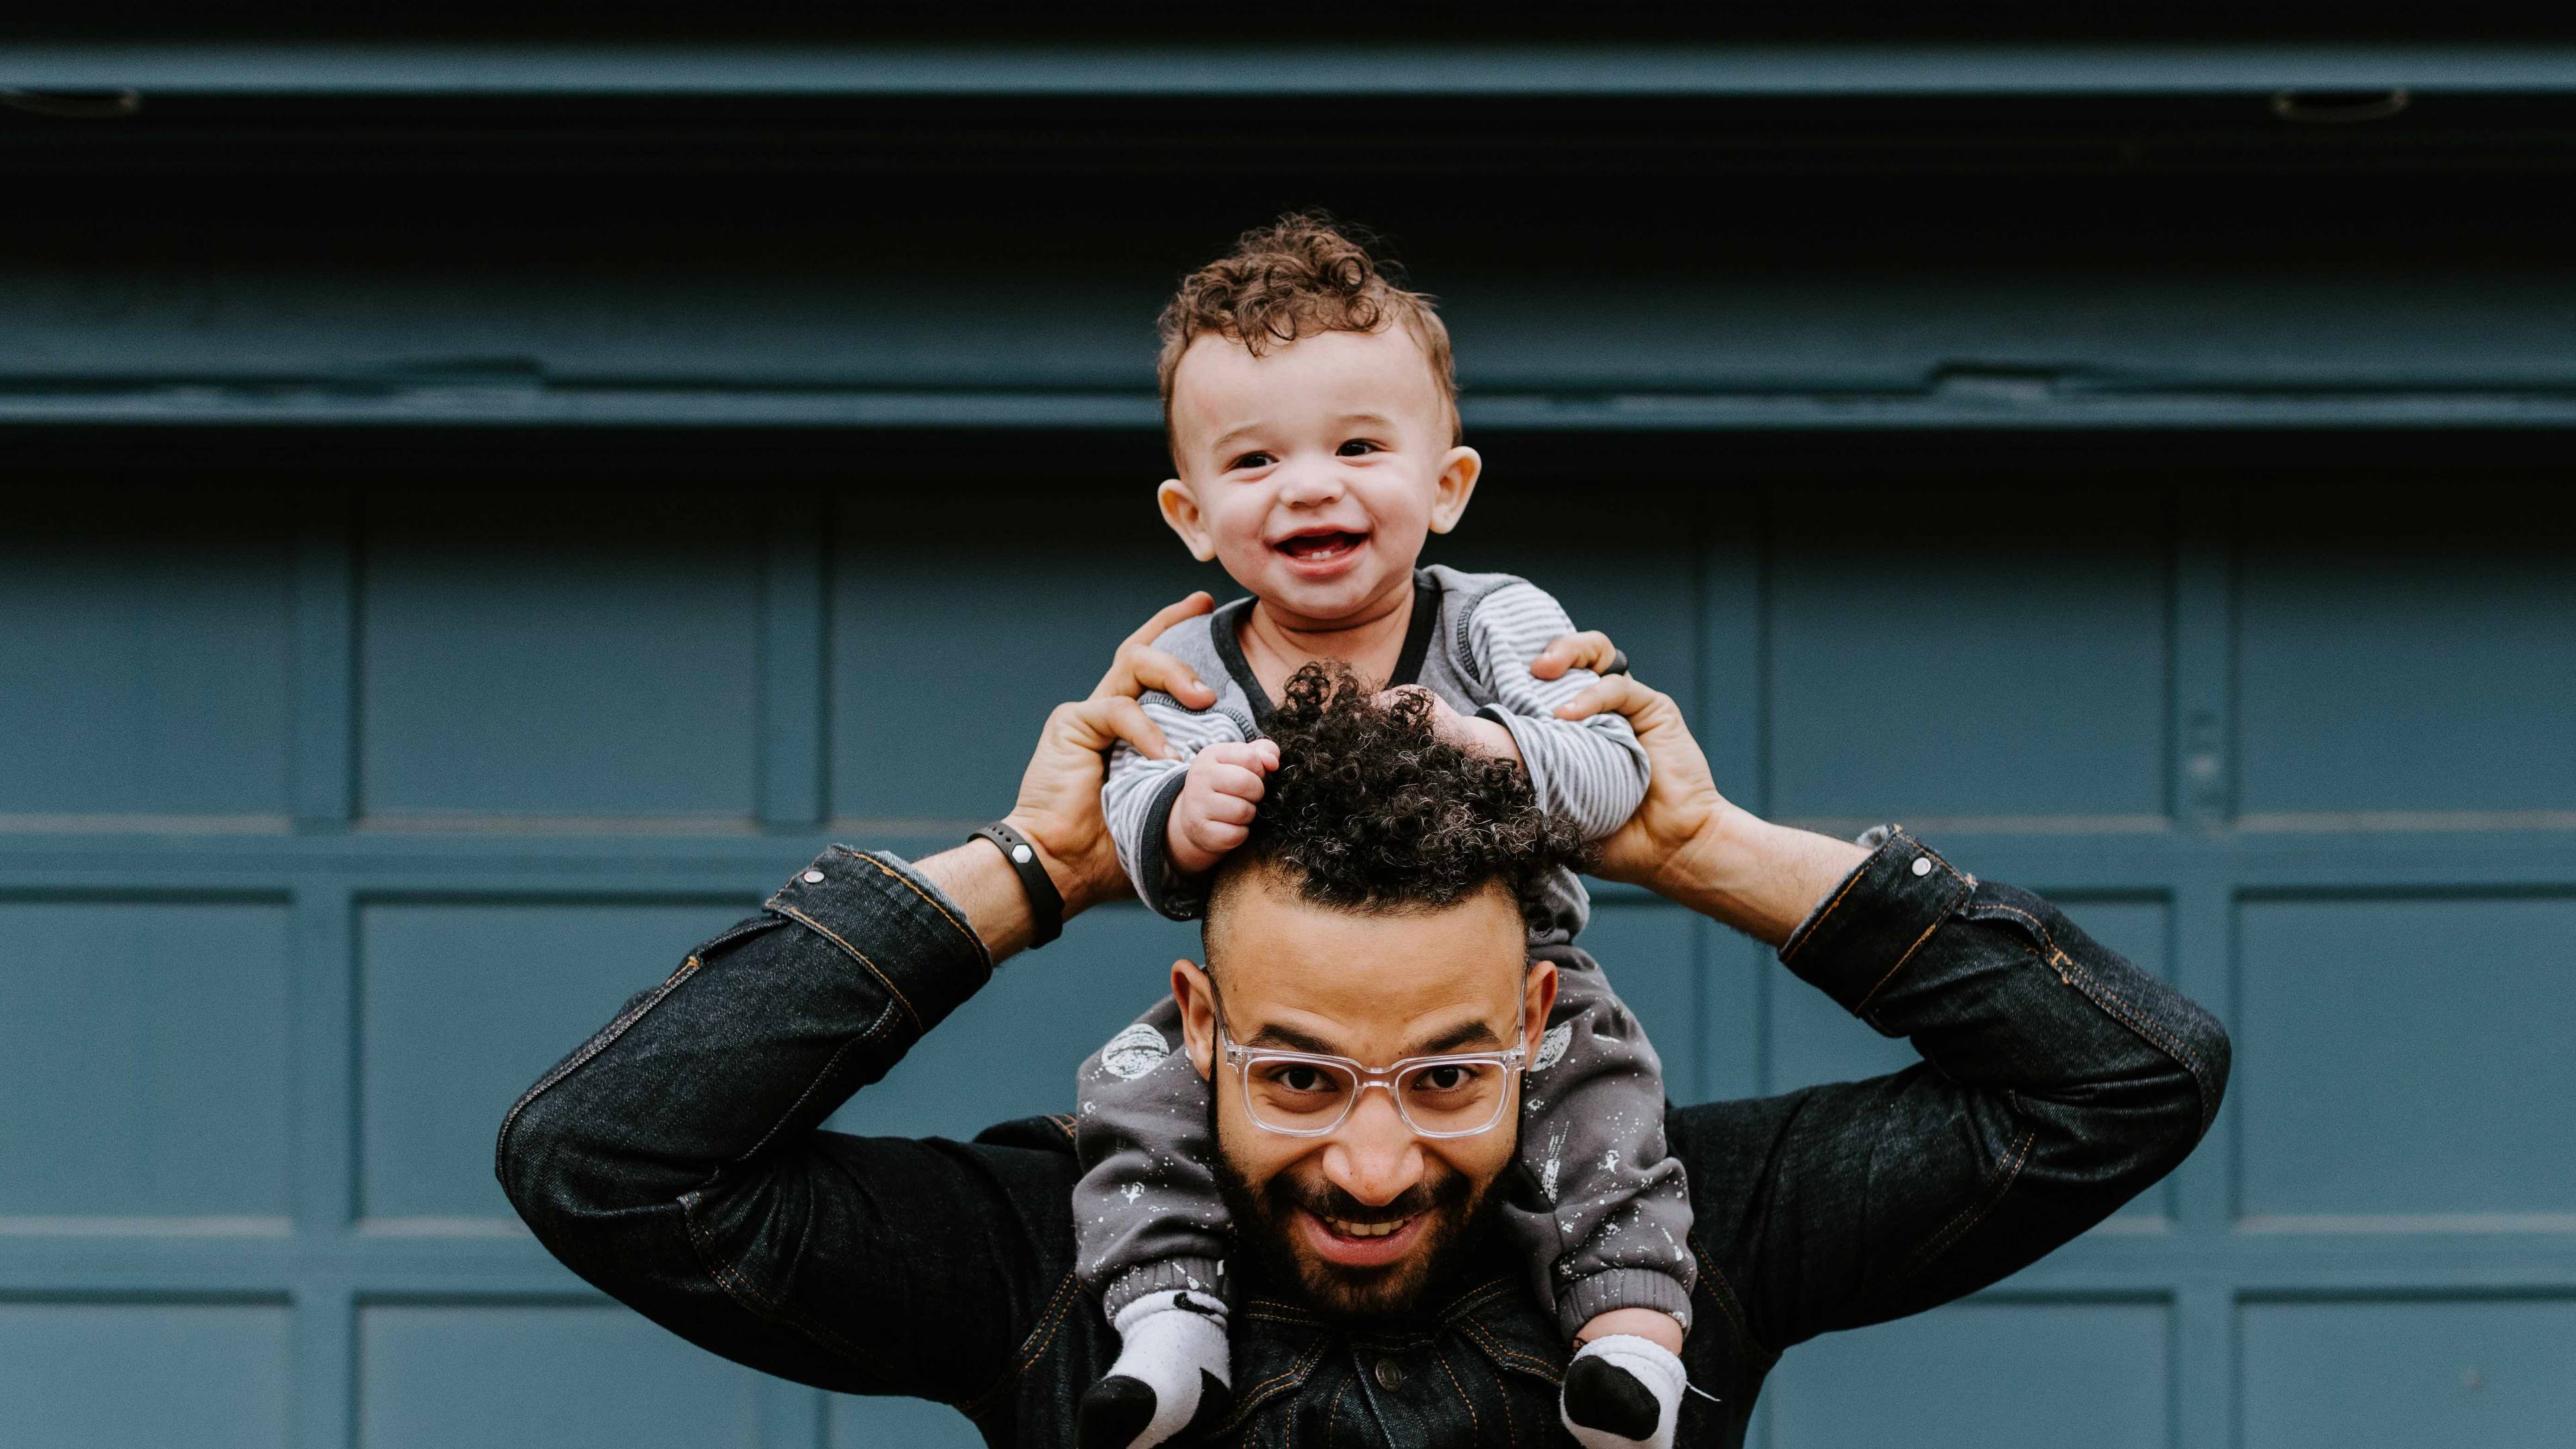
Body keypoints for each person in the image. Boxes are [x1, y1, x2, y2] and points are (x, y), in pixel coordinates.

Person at [496, 596, 2231, 1449]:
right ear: (1198, 1026)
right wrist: (1037, 867)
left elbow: (2125, 1079)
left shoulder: (1685, 1240)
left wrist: (1704, 849)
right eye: (1304, 1075)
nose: (1377, 1159)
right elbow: (609, 1162)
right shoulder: (1047, 1266)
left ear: (1542, 1015)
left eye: (1452, 1072)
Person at [1080, 213, 1688, 1449]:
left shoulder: (1493, 626)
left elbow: (1612, 771)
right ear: (1191, 515)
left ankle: (1628, 1341)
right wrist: (1181, 815)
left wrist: (1495, 746)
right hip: (1271, 1003)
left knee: (1606, 1105)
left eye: (1359, 446)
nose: (1309, 484)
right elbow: (1132, 811)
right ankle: (1169, 1318)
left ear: (1447, 485)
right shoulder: (1188, 663)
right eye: (1253, 464)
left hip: (1524, 975)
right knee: (1131, 1097)